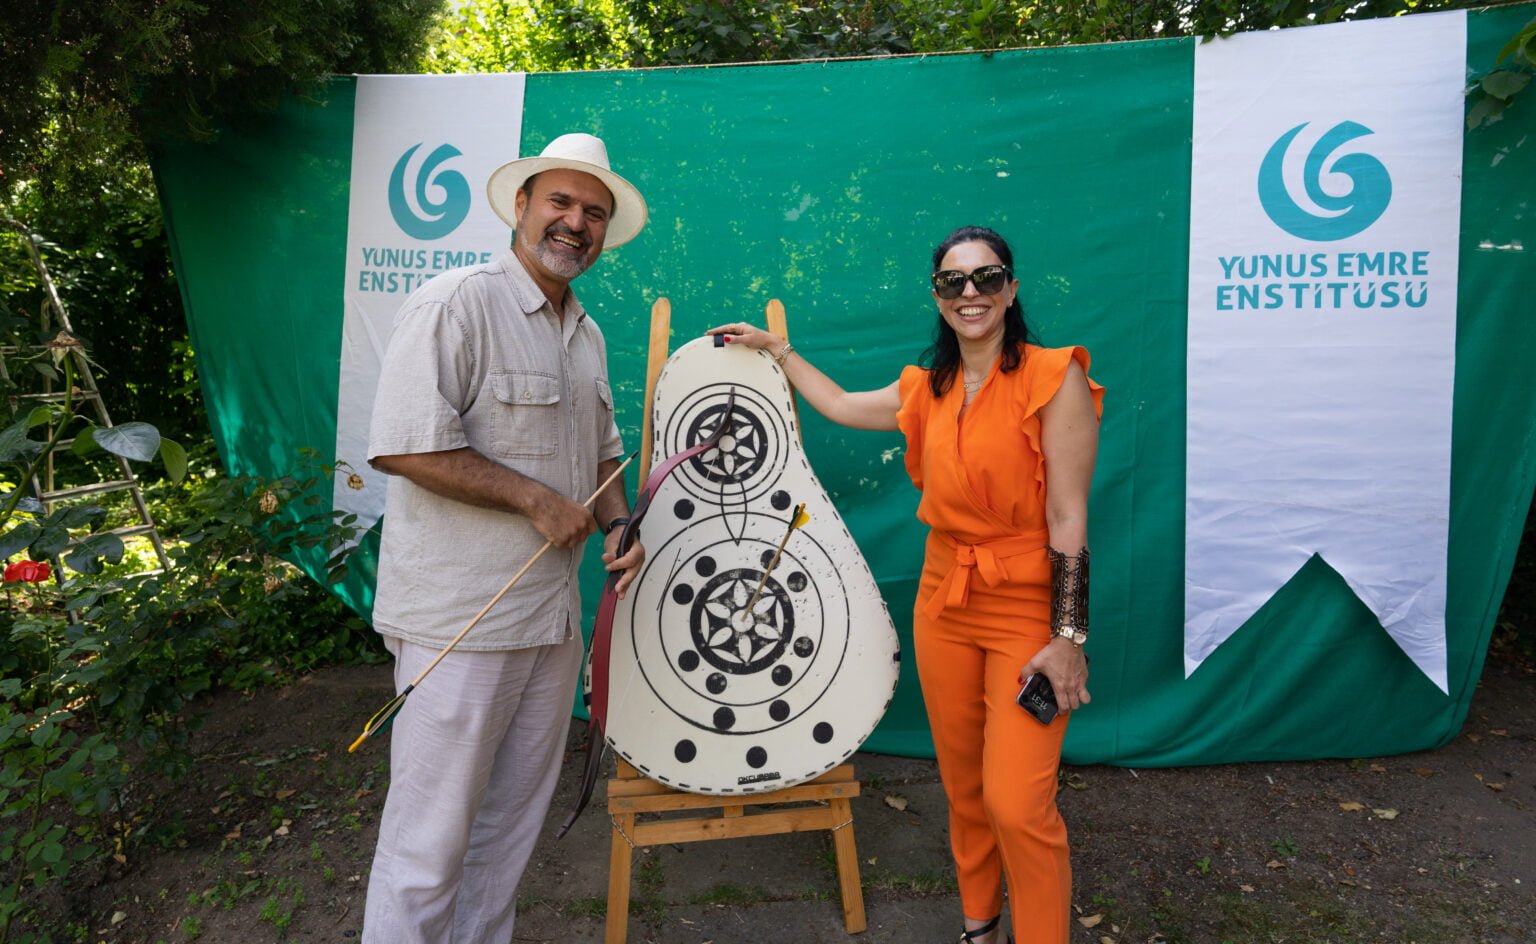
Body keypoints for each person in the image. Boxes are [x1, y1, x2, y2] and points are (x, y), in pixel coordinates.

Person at [708, 225, 1102, 944]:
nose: (971, 293)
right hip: (944, 600)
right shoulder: (927, 387)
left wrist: (1068, 637)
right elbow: (840, 405)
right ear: (938, 296)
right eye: (954, 281)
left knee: (1018, 804)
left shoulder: (1054, 376)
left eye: (987, 277)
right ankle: (980, 929)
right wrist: (777, 350)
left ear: (1011, 289)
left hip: (1025, 605)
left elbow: (1069, 516)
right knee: (965, 787)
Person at [361, 132, 648, 943]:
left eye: (594, 213)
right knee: (427, 845)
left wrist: (617, 521)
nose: (575, 223)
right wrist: (532, 499)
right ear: (521, 206)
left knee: (508, 833)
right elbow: (403, 445)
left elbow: (604, 456)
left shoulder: (587, 332)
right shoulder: (456, 302)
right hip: (460, 623)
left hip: (549, 623)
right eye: (560, 202)